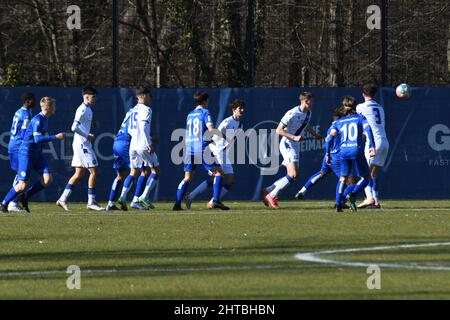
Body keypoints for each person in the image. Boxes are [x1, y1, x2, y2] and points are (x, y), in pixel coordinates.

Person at [1, 97, 66, 212]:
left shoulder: (45, 119)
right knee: (22, 185)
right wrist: (55, 137)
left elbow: (41, 138)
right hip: (26, 154)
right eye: (53, 106)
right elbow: (37, 139)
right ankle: (4, 204)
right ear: (48, 107)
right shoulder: (37, 120)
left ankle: (25, 196)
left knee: (47, 179)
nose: (55, 108)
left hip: (37, 154)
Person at [262, 92, 322, 209]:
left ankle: (268, 189)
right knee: (293, 174)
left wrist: (315, 134)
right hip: (287, 143)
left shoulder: (308, 112)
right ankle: (271, 195)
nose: (313, 103)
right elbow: (278, 130)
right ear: (305, 101)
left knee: (293, 177)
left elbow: (305, 125)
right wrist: (294, 137)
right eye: (311, 101)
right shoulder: (292, 113)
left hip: (295, 145)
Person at [172, 91, 229, 211]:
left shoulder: (190, 114)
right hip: (201, 148)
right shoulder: (205, 112)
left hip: (189, 148)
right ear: (204, 101)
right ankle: (216, 200)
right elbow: (211, 128)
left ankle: (177, 204)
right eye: (207, 101)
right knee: (219, 173)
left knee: (187, 177)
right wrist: (223, 135)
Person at [295, 96, 358, 200]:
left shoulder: (332, 126)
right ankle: (341, 201)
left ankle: (302, 191)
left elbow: (328, 141)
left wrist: (328, 154)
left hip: (328, 156)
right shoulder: (342, 125)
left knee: (321, 173)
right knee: (351, 182)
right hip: (337, 158)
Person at [185, 99, 245, 209]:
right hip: (217, 151)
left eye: (242, 108)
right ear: (233, 110)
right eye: (239, 108)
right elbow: (214, 132)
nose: (242, 110)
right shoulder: (227, 122)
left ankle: (201, 198)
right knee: (218, 176)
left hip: (224, 153)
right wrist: (212, 145)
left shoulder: (240, 124)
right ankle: (212, 201)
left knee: (229, 180)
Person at [56, 87, 104, 211]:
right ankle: (91, 202)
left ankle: (62, 199)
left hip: (80, 144)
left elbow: (83, 124)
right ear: (87, 97)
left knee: (78, 174)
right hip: (82, 145)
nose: (95, 99)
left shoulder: (88, 110)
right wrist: (87, 135)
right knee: (95, 172)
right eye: (93, 97)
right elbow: (73, 127)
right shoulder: (82, 109)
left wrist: (92, 124)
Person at [326, 106, 376, 212]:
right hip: (356, 150)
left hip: (343, 152)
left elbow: (329, 140)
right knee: (366, 177)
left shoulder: (338, 122)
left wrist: (327, 154)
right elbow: (368, 129)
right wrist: (372, 145)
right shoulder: (359, 117)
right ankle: (352, 194)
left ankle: (339, 204)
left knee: (343, 178)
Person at [116, 88, 160, 210]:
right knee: (156, 170)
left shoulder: (131, 110)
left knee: (134, 171)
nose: (151, 99)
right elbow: (143, 126)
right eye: (150, 96)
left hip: (133, 145)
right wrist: (149, 143)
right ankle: (144, 196)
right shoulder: (147, 110)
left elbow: (131, 129)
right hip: (143, 145)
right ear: (144, 96)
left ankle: (124, 197)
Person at [356, 83, 389, 209]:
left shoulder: (360, 107)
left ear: (363, 94)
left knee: (364, 174)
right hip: (384, 141)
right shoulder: (380, 107)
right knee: (373, 174)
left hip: (373, 142)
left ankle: (369, 198)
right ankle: (375, 201)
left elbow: (361, 124)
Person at [6, 92, 36, 212]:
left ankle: (12, 202)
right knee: (22, 177)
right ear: (28, 101)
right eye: (33, 100)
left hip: (12, 144)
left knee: (20, 175)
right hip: (19, 147)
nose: (35, 102)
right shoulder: (26, 116)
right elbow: (24, 133)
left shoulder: (18, 112)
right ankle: (12, 203)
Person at [105, 105, 135, 211]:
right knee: (135, 171)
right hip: (126, 142)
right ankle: (128, 200)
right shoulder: (143, 111)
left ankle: (110, 203)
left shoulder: (130, 111)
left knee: (120, 175)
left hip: (117, 141)